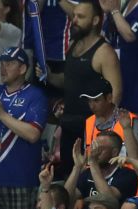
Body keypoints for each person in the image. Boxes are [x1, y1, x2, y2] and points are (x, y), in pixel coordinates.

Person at [51, 0, 122, 171]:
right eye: (74, 15)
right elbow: (69, 80)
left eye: (81, 17)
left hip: (90, 129)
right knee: (69, 176)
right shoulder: (73, 46)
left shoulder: (104, 52)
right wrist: (48, 76)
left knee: (88, 180)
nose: (74, 20)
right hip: (69, 125)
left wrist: (103, 130)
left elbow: (116, 93)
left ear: (95, 20)